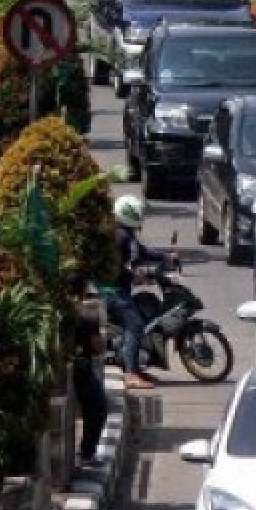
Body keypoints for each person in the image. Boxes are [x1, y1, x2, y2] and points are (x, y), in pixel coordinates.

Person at [110, 196, 166, 389]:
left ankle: (135, 367)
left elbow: (143, 253)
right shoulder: (121, 237)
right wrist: (137, 276)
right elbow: (124, 264)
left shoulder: (123, 233)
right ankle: (131, 373)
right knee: (135, 324)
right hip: (114, 291)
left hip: (118, 288)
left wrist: (167, 257)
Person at [69, 276, 107, 468]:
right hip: (81, 369)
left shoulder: (55, 314)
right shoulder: (85, 317)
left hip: (70, 368)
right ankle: (87, 453)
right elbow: (98, 347)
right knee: (98, 407)